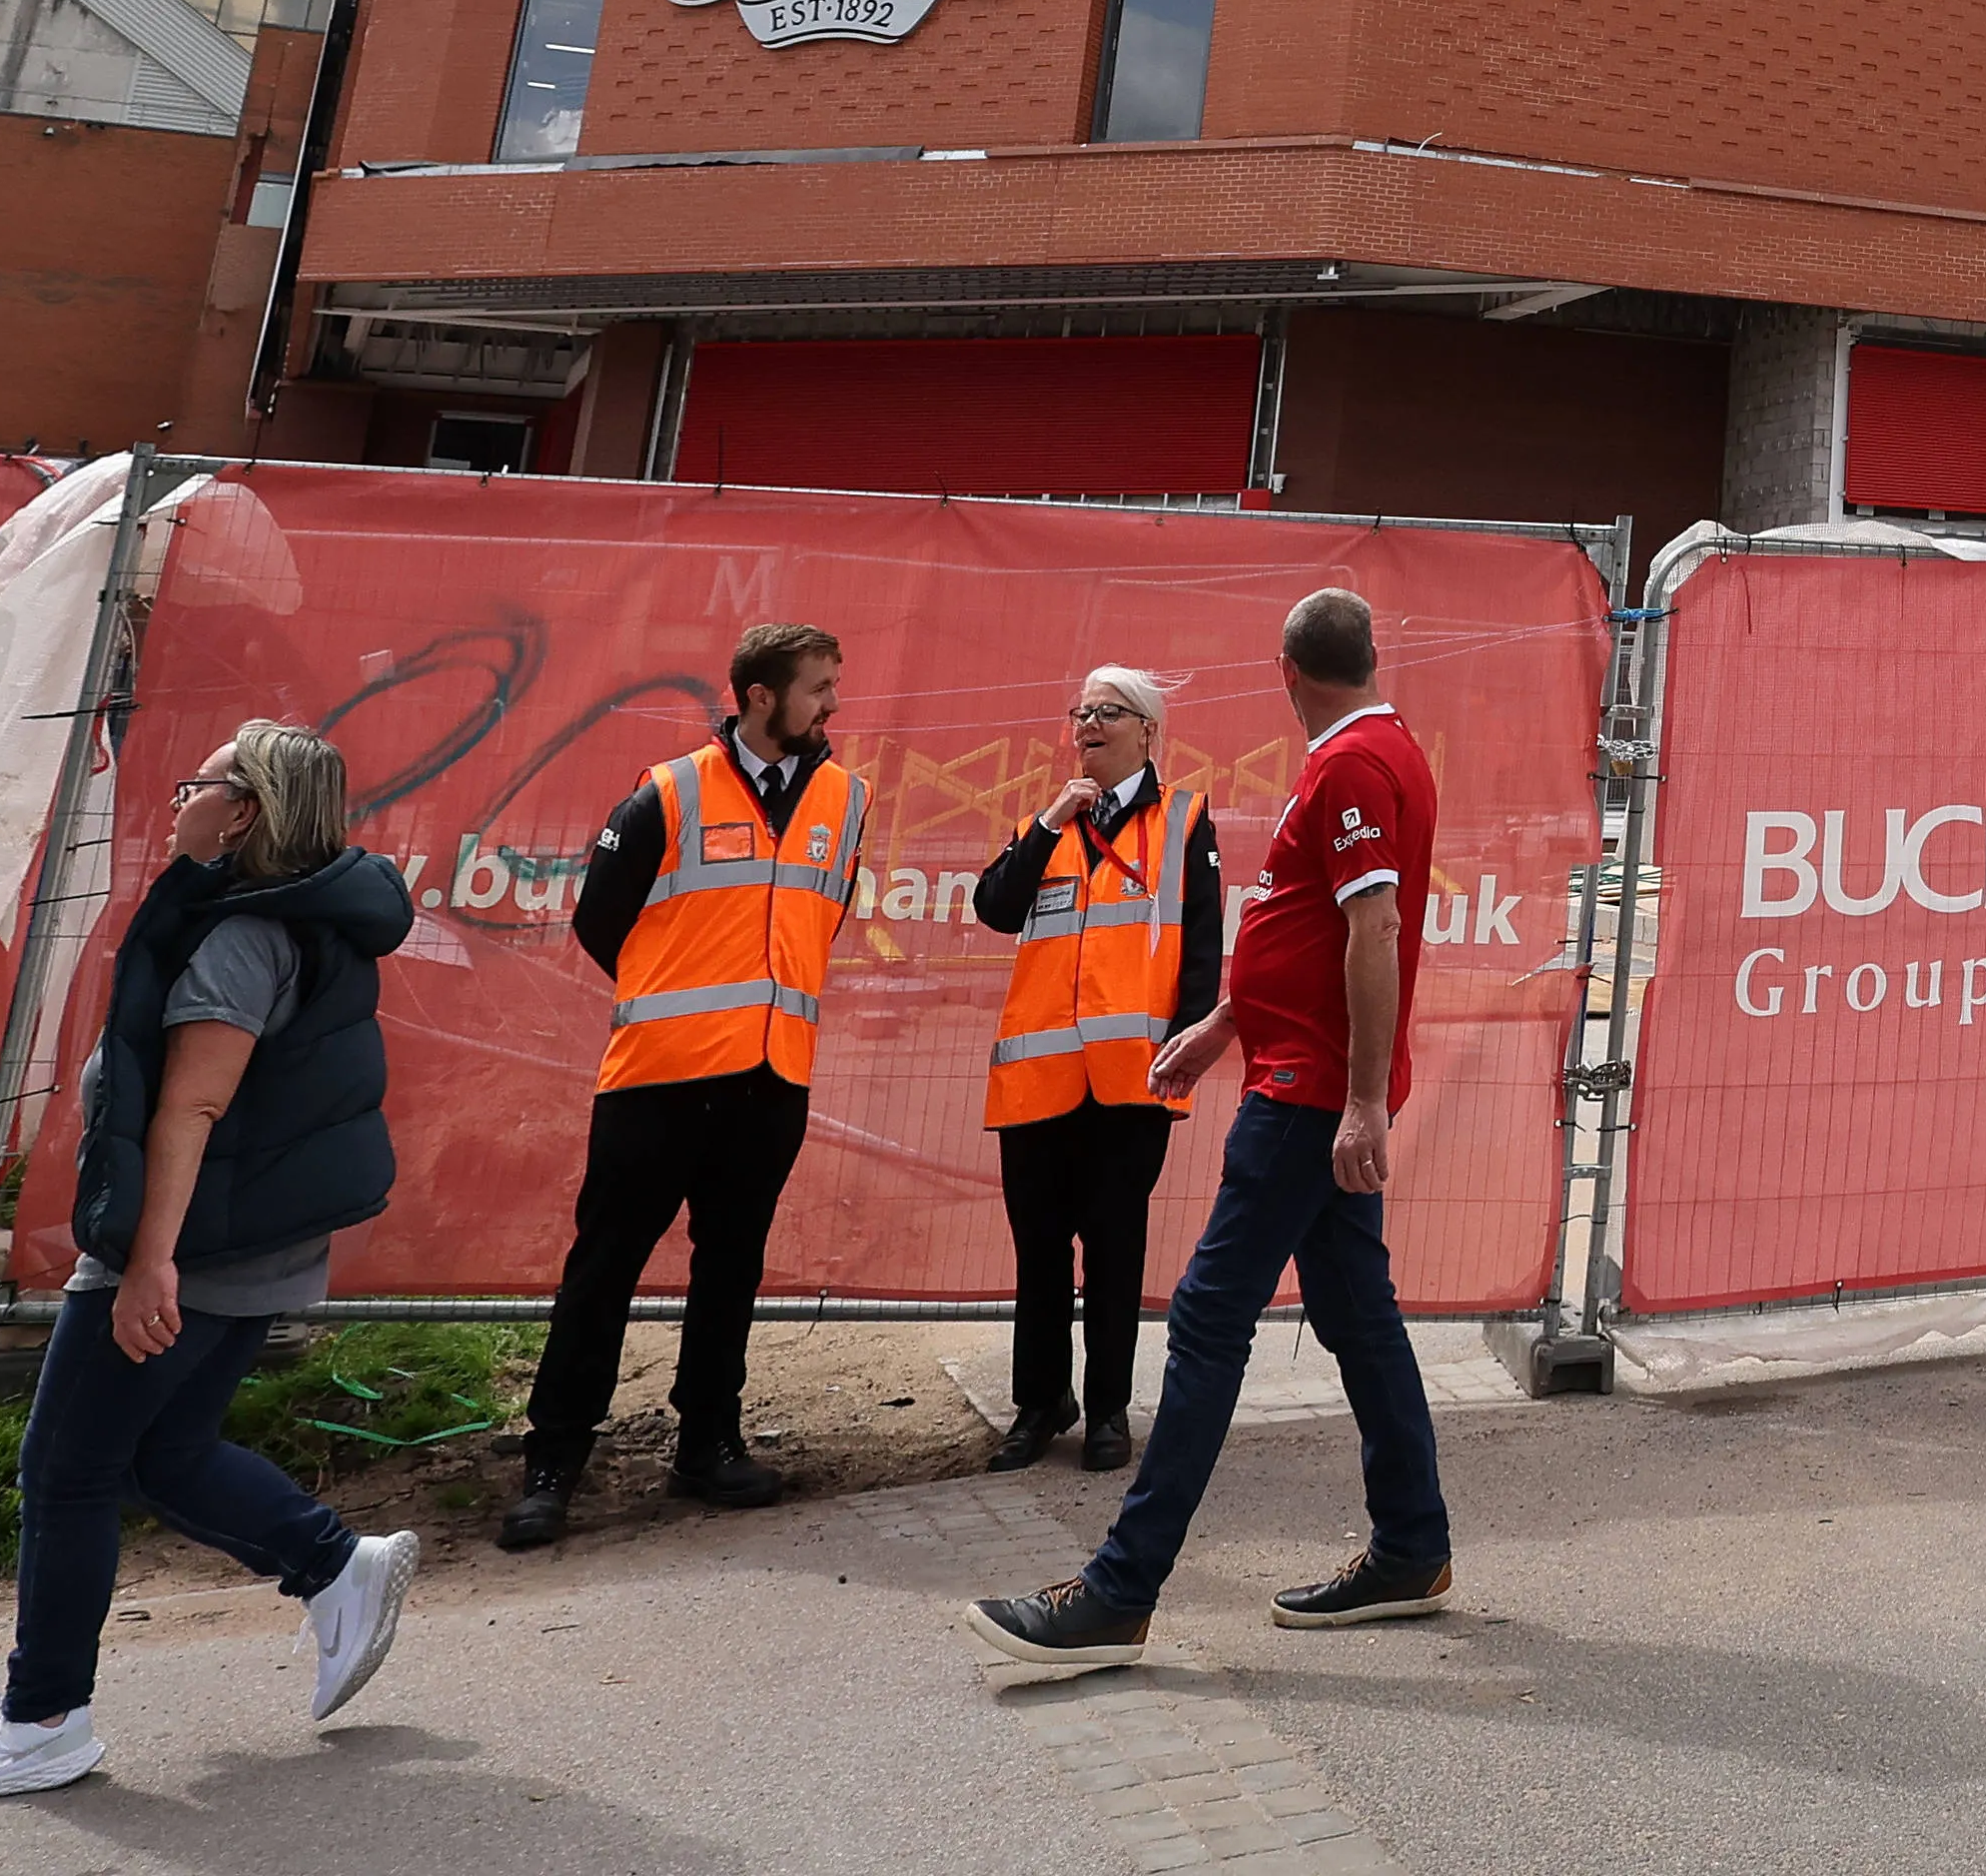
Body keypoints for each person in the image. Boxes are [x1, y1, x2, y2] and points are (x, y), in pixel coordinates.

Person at [0, 722, 419, 1810]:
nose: (183, 797)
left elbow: (194, 1103)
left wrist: (146, 1264)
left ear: (246, 813)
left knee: (68, 1468)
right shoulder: (311, 914)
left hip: (191, 1241)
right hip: (252, 1236)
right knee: (165, 1451)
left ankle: (41, 1722)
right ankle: (333, 1564)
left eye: (203, 782)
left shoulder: (240, 935)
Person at [968, 585, 1453, 1673]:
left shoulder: (1353, 765)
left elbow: (1371, 932)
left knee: (1208, 1315)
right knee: (1355, 1312)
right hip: (1300, 1073)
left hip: (1309, 1094)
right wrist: (1223, 1023)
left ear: (1287, 674)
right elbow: (1310, 928)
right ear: (1369, 656)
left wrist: (1361, 1099)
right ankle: (1412, 1546)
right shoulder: (1365, 753)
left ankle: (1118, 1588)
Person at [503, 620, 869, 1546]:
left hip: (771, 1078)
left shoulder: (845, 798)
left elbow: (815, 925)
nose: (831, 704)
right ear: (758, 696)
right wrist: (680, 1006)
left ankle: (708, 1441)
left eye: (833, 685)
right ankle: (554, 1463)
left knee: (731, 1268)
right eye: (817, 687)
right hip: (659, 1081)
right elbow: (601, 925)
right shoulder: (668, 792)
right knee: (604, 1270)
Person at [975, 662, 1223, 1470]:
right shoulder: (1044, 822)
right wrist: (1048, 824)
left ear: (1148, 731)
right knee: (1038, 1250)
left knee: (1114, 1248)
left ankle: (1109, 1410)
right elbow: (995, 908)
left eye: (1107, 713)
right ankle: (1040, 1403)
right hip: (1037, 1081)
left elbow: (1201, 952)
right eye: (1080, 711)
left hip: (1129, 1084)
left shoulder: (1183, 822)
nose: (1087, 726)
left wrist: (1186, 1045)